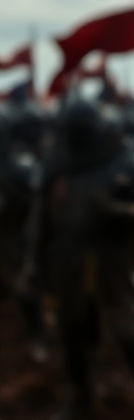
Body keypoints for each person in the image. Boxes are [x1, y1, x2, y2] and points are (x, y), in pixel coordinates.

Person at [26, 100, 134, 419]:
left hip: (111, 258)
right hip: (68, 259)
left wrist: (118, 211)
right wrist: (33, 261)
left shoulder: (124, 161)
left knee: (127, 330)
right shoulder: (56, 163)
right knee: (72, 335)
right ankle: (81, 398)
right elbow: (42, 216)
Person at [0, 107, 48, 364]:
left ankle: (37, 337)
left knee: (27, 285)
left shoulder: (22, 167)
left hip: (17, 232)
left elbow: (35, 206)